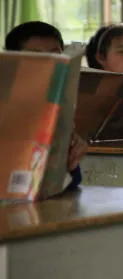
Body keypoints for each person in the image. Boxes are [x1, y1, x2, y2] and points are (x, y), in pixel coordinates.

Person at [4, 21, 86, 190]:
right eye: (36, 57)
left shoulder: (57, 107)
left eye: (56, 56)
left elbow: (71, 184)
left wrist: (69, 162)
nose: (49, 65)